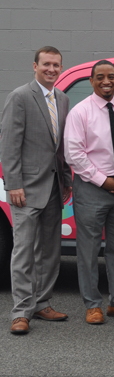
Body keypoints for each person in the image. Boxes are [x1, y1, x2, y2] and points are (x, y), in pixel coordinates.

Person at [64, 60, 114, 325]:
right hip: (91, 189)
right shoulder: (80, 112)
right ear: (91, 81)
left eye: (111, 76)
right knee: (88, 249)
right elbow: (74, 154)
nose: (105, 81)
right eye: (100, 77)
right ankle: (92, 305)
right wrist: (103, 181)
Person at [1, 46, 73, 335]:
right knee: (24, 252)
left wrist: (66, 180)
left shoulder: (63, 99)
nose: (51, 69)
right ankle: (21, 312)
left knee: (50, 252)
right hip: (26, 190)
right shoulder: (19, 97)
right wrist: (13, 184)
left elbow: (61, 147)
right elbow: (9, 145)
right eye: (46, 64)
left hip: (55, 188)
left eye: (56, 65)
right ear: (35, 66)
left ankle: (42, 303)